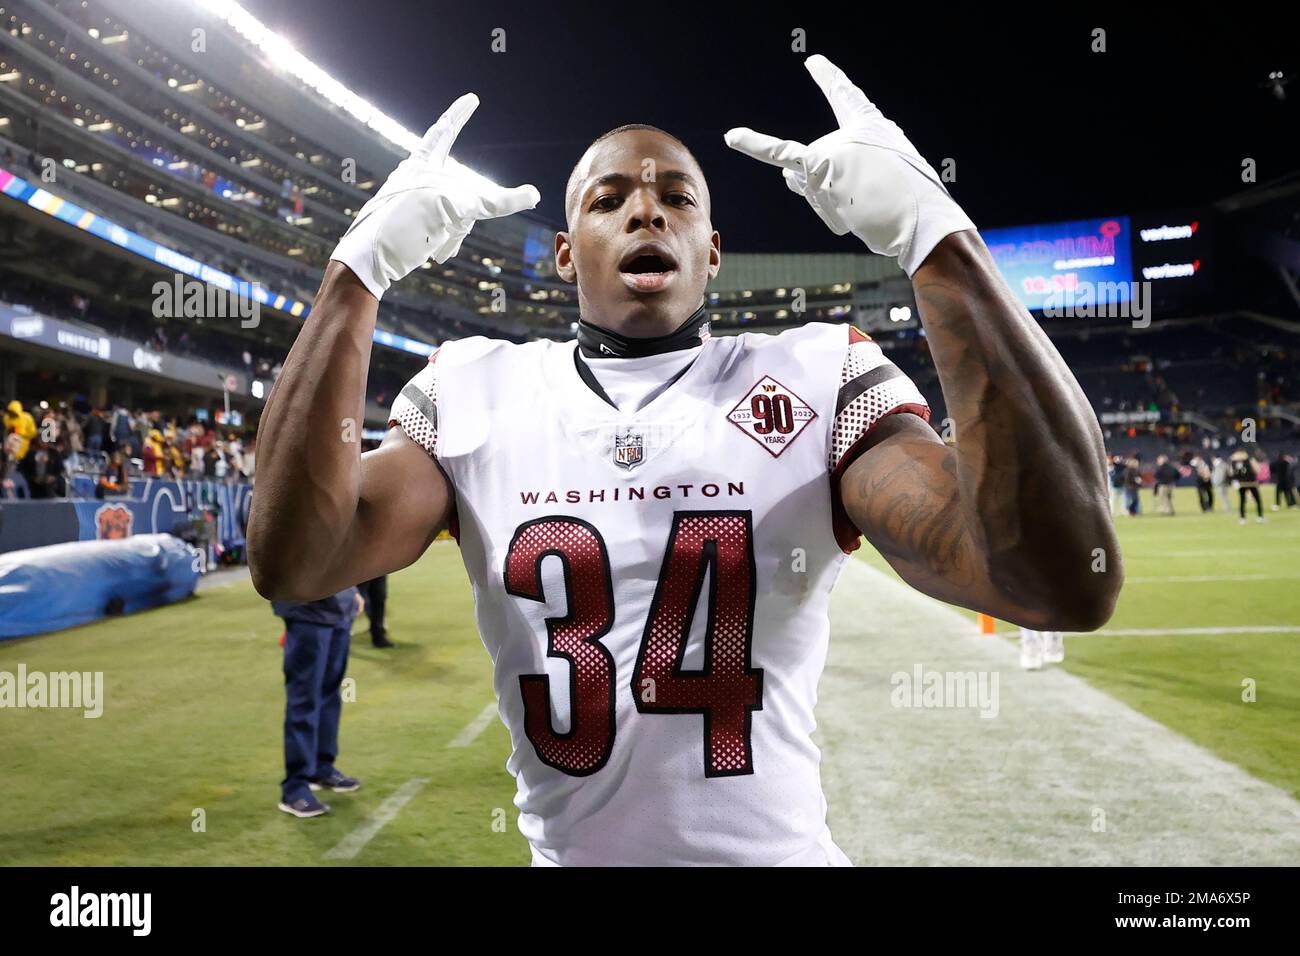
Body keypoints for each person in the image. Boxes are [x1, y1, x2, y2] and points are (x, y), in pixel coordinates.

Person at [249, 59, 1121, 865]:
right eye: (608, 198)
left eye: (678, 197)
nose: (646, 210)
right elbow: (297, 559)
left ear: (711, 252)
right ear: (564, 254)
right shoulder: (476, 387)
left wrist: (938, 234)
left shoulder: (819, 373)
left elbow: (1060, 582)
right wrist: (355, 271)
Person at [273, 587, 365, 818]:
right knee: (304, 698)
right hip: (306, 606)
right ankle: (295, 788)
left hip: (339, 606)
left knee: (330, 692)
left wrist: (351, 590)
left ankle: (321, 767)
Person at [1229, 449, 1263, 524]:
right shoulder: (1249, 459)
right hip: (1251, 482)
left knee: (1242, 501)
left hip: (1241, 484)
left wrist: (1235, 480)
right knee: (1257, 500)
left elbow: (1231, 473)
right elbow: (1257, 470)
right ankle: (1260, 517)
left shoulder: (1233, 461)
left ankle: (1242, 518)